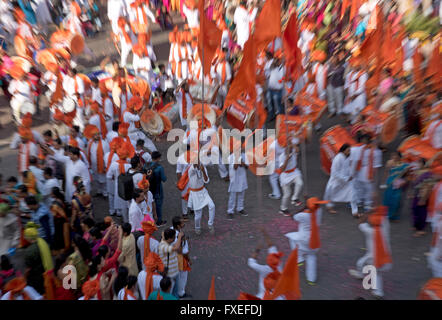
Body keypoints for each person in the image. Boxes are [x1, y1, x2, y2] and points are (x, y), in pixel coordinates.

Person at [348, 211, 393, 298]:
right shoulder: (384, 229)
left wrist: (365, 215)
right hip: (385, 258)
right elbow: (385, 219)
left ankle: (361, 275)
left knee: (361, 263)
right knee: (375, 272)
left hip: (373, 258)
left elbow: (360, 223)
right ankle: (378, 292)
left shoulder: (370, 231)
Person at [285, 197, 328, 285]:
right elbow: (314, 207)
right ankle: (311, 280)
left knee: (291, 238)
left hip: (304, 239)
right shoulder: (319, 211)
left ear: (307, 207)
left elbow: (293, 216)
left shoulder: (303, 215)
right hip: (315, 240)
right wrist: (308, 204)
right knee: (311, 257)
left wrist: (304, 207)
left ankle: (299, 259)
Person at [350, 134, 382, 214]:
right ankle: (363, 203)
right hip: (364, 171)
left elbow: (376, 166)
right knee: (365, 188)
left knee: (364, 188)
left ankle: (363, 203)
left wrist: (352, 173)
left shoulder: (360, 148)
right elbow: (376, 167)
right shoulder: (374, 151)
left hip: (364, 171)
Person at [247, 229, 283, 299]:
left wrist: (257, 249)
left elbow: (251, 262)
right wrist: (265, 233)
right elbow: (271, 246)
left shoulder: (264, 269)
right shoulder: (279, 266)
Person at [323, 143, 357, 215]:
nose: (349, 152)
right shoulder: (338, 158)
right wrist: (346, 178)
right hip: (336, 181)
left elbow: (347, 168)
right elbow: (334, 172)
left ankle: (355, 212)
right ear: (343, 150)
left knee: (352, 193)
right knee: (331, 194)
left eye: (350, 150)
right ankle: (329, 207)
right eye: (348, 150)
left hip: (346, 181)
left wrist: (350, 176)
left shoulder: (347, 157)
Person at [23, 222, 53, 295]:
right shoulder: (43, 242)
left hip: (36, 278)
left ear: (28, 237)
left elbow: (28, 269)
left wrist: (24, 277)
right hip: (46, 273)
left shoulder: (29, 251)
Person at [187, 162, 215, 235]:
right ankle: (197, 227)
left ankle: (210, 224)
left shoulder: (203, 167)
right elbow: (194, 166)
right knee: (198, 216)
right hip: (195, 194)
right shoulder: (190, 169)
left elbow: (206, 180)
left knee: (212, 205)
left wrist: (203, 171)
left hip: (203, 191)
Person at [278, 136, 303, 216]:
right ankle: (283, 208)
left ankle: (295, 198)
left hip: (294, 172)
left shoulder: (293, 152)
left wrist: (292, 144)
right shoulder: (281, 157)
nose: (290, 152)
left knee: (300, 183)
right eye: (288, 151)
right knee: (287, 194)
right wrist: (287, 159)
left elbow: (297, 150)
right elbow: (282, 169)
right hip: (285, 175)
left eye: (290, 150)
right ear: (285, 150)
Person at [382, 152, 410, 221]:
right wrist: (384, 182)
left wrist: (404, 182)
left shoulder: (404, 166)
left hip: (398, 185)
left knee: (396, 200)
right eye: (393, 155)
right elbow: (386, 172)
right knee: (387, 199)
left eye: (396, 156)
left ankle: (394, 216)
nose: (394, 157)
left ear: (400, 157)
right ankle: (387, 215)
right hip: (389, 184)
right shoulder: (389, 163)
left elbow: (408, 176)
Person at [411, 159, 434, 237]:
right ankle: (417, 225)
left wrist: (423, 199)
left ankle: (421, 229)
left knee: (421, 212)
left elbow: (428, 187)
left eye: (419, 162)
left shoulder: (428, 174)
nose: (418, 164)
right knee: (415, 209)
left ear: (424, 164)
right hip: (417, 194)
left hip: (423, 195)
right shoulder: (418, 171)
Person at [158, 228, 183, 296]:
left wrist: (180, 241)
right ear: (169, 238)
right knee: (169, 293)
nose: (175, 239)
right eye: (174, 237)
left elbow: (179, 251)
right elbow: (176, 248)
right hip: (169, 275)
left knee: (175, 291)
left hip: (175, 271)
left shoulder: (170, 243)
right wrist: (180, 237)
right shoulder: (162, 246)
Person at [170, 216, 191, 298]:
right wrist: (188, 259)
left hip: (173, 258)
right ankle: (181, 292)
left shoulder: (171, 230)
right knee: (182, 277)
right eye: (182, 223)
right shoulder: (178, 237)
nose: (184, 223)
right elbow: (183, 251)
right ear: (178, 226)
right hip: (180, 259)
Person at [146, 151, 167, 227]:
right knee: (158, 205)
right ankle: (159, 221)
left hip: (148, 188)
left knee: (149, 203)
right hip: (158, 189)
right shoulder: (159, 168)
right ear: (158, 158)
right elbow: (164, 179)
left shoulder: (146, 165)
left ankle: (150, 219)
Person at [227, 148, 248, 218]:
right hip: (234, 179)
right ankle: (230, 211)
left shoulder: (244, 155)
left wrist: (243, 163)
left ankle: (240, 208)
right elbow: (235, 167)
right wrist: (238, 159)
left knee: (241, 194)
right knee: (232, 196)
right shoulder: (230, 157)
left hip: (242, 178)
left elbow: (247, 166)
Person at [49, 187, 70, 255]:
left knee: (60, 238)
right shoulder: (61, 200)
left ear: (54, 195)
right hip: (62, 223)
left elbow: (56, 215)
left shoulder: (54, 205)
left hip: (59, 224)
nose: (50, 194)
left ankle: (61, 252)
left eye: (51, 193)